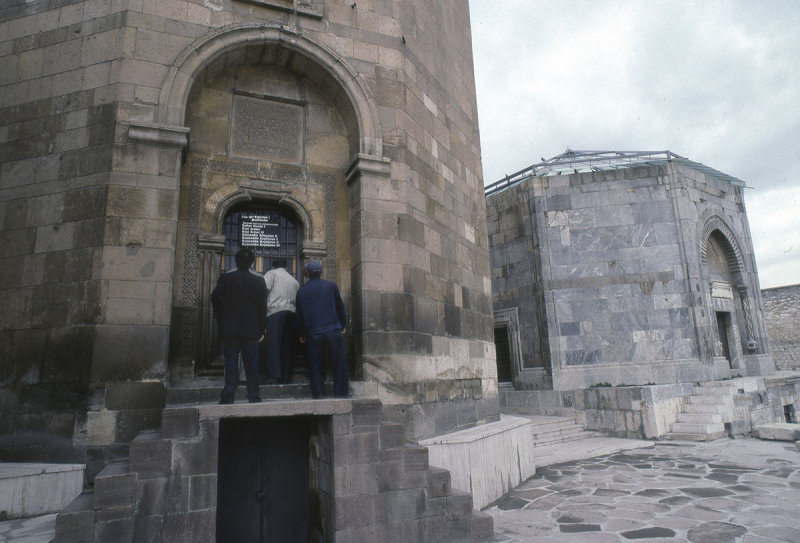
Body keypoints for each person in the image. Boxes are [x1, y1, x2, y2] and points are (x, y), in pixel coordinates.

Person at [212, 248, 267, 404]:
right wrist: (262, 328)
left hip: (230, 326)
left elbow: (215, 295)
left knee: (230, 361)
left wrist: (221, 315)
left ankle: (228, 395)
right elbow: (262, 307)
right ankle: (254, 395)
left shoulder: (226, 278)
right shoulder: (259, 281)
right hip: (251, 328)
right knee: (251, 362)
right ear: (251, 263)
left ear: (236, 261)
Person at [295, 260, 349, 398]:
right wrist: (343, 324)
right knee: (339, 362)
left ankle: (318, 394)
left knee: (315, 364)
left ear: (307, 273)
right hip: (332, 329)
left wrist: (301, 333)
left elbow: (299, 315)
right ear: (321, 272)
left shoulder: (301, 291)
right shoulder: (331, 286)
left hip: (313, 333)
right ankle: (340, 393)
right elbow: (340, 307)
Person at [263, 258, 300, 384]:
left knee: (273, 345)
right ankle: (285, 376)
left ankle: (273, 376)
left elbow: (263, 289)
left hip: (275, 312)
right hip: (292, 313)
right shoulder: (294, 281)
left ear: (273, 266)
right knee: (286, 346)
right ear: (286, 267)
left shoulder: (271, 274)